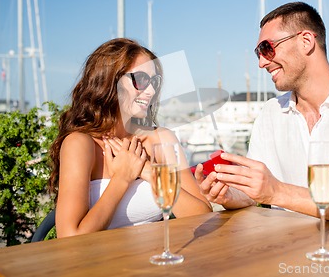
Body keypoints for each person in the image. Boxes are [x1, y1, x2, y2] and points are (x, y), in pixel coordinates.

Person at [195, 2, 329, 225]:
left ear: (306, 41)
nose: (261, 62)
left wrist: (277, 192)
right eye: (258, 53)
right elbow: (254, 194)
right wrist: (230, 196)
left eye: (267, 48)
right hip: (290, 253)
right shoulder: (271, 113)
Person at [48, 38, 211, 238]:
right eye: (141, 79)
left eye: (154, 82)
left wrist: (148, 172)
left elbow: (202, 214)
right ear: (109, 80)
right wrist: (122, 178)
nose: (151, 91)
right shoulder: (80, 144)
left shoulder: (161, 139)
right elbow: (69, 237)